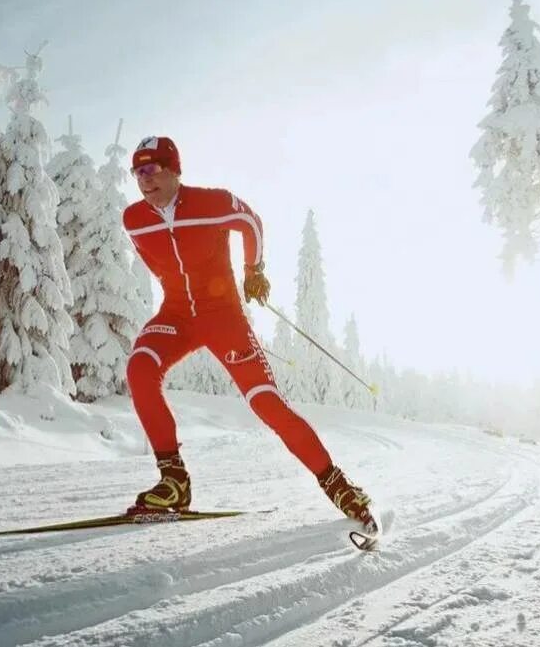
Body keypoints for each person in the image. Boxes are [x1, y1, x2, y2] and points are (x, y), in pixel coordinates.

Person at [122, 135, 377, 534]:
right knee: (140, 368)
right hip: (176, 315)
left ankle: (340, 486)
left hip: (223, 318)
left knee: (267, 404)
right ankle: (174, 481)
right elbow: (155, 262)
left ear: (174, 169)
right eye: (137, 171)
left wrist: (253, 270)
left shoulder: (212, 202)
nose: (144, 179)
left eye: (152, 169)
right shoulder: (134, 219)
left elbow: (250, 222)